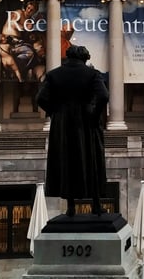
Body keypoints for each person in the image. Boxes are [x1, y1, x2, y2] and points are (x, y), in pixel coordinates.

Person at [36, 45, 109, 217]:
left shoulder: (53, 74)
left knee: (66, 161)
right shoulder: (92, 74)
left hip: (62, 125)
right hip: (86, 122)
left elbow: (40, 98)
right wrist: (95, 114)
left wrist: (55, 112)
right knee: (92, 160)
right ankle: (96, 204)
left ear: (68, 57)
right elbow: (104, 96)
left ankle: (70, 206)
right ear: (84, 58)